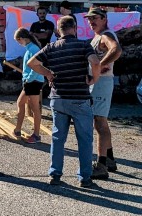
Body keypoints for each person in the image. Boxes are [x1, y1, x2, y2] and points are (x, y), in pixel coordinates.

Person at [28, 16, 100, 188]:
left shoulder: (51, 47)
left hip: (58, 98)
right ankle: (85, 178)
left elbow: (32, 63)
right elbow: (95, 62)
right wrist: (94, 79)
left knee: (58, 138)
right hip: (79, 98)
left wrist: (48, 73)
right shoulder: (83, 45)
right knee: (84, 140)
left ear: (58, 30)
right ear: (74, 28)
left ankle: (55, 174)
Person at [84, 7, 123, 180]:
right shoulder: (99, 36)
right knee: (101, 122)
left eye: (95, 18)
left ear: (104, 18)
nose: (91, 22)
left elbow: (116, 50)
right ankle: (109, 159)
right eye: (89, 19)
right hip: (99, 83)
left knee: (99, 123)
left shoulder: (106, 35)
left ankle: (101, 165)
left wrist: (99, 66)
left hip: (102, 83)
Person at [13, 28, 45, 144]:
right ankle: (19, 130)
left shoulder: (33, 48)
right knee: (28, 105)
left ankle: (34, 134)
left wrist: (28, 79)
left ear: (22, 38)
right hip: (32, 81)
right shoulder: (31, 48)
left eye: (18, 41)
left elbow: (36, 66)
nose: (18, 43)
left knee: (28, 106)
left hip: (33, 81)